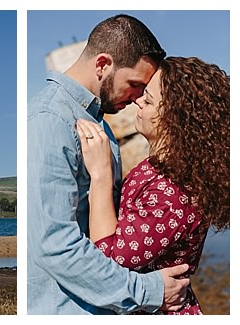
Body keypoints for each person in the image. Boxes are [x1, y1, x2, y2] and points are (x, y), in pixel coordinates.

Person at [27, 14, 190, 314]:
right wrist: (150, 290)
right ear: (102, 65)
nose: (138, 97)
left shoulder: (96, 119)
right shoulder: (50, 120)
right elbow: (54, 246)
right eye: (134, 84)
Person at [76, 56, 230, 315]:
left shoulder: (176, 192)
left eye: (147, 100)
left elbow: (111, 262)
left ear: (173, 118)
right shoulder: (160, 169)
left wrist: (101, 175)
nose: (137, 101)